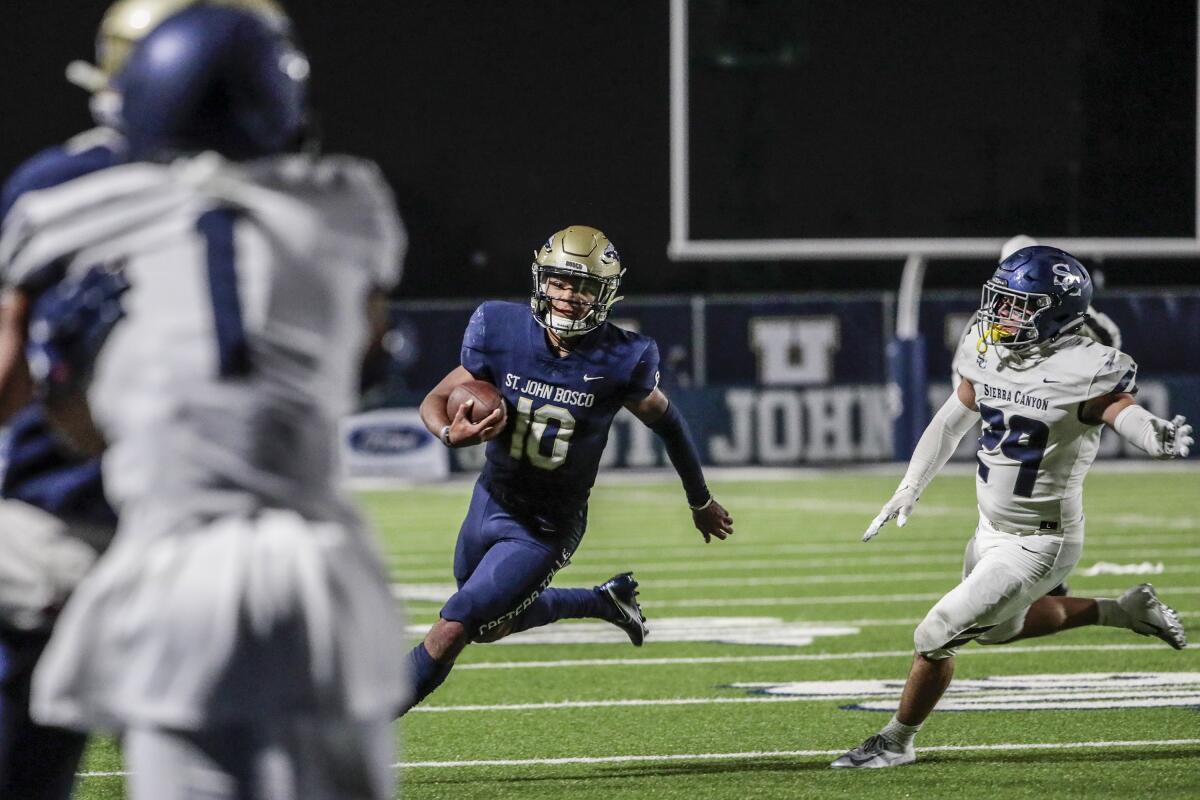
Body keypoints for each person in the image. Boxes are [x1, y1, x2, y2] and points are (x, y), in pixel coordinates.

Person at [0, 6, 408, 798]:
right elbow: (359, 360)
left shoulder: (54, 203)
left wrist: (69, 378)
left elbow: (34, 390)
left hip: (112, 538)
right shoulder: (349, 201)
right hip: (317, 569)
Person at [0, 2, 284, 797]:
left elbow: (8, 383)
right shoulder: (316, 204)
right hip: (223, 543)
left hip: (61, 529)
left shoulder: (53, 188)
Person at [832, 245, 1191, 769]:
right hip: (990, 530)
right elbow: (954, 417)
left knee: (935, 634)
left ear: (1057, 312)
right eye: (1001, 302)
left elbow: (1121, 410)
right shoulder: (988, 346)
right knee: (1001, 629)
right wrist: (910, 486)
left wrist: (1149, 432)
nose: (1001, 315)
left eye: (1019, 305)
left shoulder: (1085, 367)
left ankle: (895, 741)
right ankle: (1123, 610)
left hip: (1042, 541)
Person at [400, 225, 734, 713]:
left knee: (455, 626)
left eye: (585, 288)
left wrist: (699, 500)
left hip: (545, 526)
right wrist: (450, 434)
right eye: (560, 282)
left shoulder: (623, 357)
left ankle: (356, 723)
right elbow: (436, 397)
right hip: (489, 499)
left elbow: (669, 424)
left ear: (607, 295)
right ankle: (604, 601)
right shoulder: (499, 329)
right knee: (490, 626)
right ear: (541, 280)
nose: (570, 296)